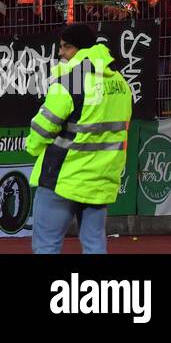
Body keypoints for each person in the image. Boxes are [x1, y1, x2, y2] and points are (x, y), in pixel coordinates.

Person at [26, 23, 132, 254]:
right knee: (95, 246)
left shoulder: (72, 80)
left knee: (46, 246)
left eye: (67, 47)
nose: (61, 53)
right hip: (99, 180)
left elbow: (42, 130)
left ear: (81, 48)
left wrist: (32, 147)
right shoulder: (121, 83)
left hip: (63, 178)